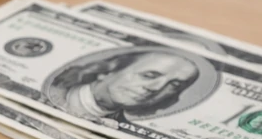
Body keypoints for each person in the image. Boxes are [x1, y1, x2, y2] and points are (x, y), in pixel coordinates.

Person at [52, 50, 200, 122]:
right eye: (149, 75)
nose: (155, 88)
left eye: (174, 85)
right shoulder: (54, 91)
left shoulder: (121, 125)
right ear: (109, 71)